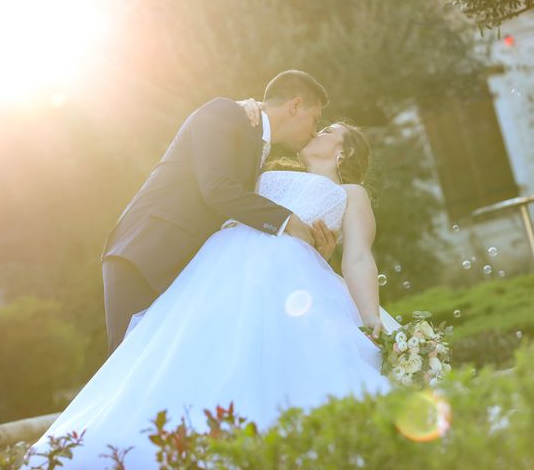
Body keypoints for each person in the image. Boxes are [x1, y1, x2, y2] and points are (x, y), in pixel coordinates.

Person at [22, 111, 401, 469]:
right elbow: (225, 191)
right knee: (192, 354)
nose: (315, 131)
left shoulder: (352, 193)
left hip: (287, 281)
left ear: (345, 150)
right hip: (220, 268)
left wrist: (370, 320)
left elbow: (358, 259)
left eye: (327, 130)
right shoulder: (268, 170)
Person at [99, 69, 334, 353]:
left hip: (187, 270)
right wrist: (288, 221)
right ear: (295, 106)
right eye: (315, 119)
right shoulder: (224, 112)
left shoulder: (256, 139)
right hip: (146, 254)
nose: (314, 131)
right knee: (128, 364)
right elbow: (218, 190)